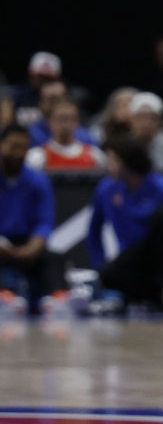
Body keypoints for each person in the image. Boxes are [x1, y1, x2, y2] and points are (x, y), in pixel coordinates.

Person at [89, 138, 163, 312]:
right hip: (131, 262)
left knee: (162, 218)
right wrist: (100, 265)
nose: (107, 165)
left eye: (112, 160)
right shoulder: (106, 190)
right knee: (108, 275)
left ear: (127, 163)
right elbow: (93, 233)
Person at [0, 124, 68, 312]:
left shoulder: (38, 181)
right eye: (13, 147)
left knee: (54, 258)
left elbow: (45, 221)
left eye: (23, 147)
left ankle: (57, 300)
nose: (18, 153)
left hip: (27, 244)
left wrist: (33, 247)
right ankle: (4, 299)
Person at [25, 97, 105, 171]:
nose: (67, 124)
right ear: (50, 122)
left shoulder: (95, 156)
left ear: (77, 122)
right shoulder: (37, 157)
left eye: (72, 118)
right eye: (62, 118)